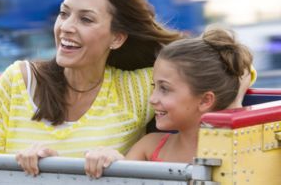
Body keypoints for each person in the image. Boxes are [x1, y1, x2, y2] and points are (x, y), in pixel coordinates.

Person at [0, 0, 182, 176]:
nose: (66, 26)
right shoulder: (16, 81)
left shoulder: (136, 89)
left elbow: (203, 78)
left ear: (117, 38)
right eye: (64, 13)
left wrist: (123, 164)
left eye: (86, 19)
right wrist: (25, 170)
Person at [84, 27, 254, 178]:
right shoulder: (148, 147)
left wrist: (235, 101)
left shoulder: (241, 150)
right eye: (154, 86)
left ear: (205, 100)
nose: (152, 99)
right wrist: (112, 160)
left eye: (164, 89)